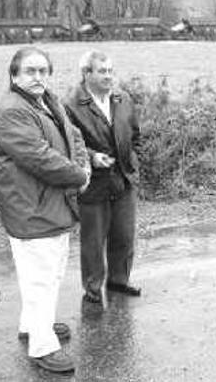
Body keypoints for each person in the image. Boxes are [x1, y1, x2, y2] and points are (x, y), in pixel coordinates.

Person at [0, 47, 90, 373]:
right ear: (14, 75)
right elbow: (39, 157)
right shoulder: (12, 111)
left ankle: (33, 324)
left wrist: (84, 166)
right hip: (32, 209)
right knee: (41, 279)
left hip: (51, 204)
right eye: (30, 71)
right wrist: (80, 176)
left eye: (43, 71)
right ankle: (42, 346)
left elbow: (74, 136)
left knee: (49, 273)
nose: (38, 77)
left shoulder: (47, 99)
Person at [64, 51, 143, 303]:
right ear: (86, 73)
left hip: (123, 178)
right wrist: (91, 157)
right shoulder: (70, 105)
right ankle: (93, 288)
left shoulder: (123, 99)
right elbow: (67, 145)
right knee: (93, 240)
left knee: (124, 234)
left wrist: (133, 164)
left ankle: (119, 281)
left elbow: (136, 136)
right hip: (92, 182)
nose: (109, 76)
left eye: (111, 70)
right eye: (102, 71)